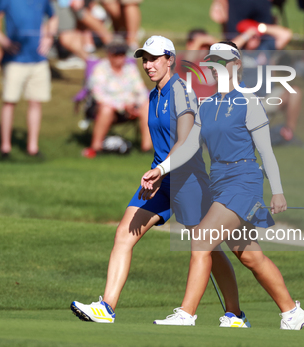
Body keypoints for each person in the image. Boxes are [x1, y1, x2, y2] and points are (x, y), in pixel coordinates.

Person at [71, 36, 251, 328]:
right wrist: (159, 172)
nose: (148, 64)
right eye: (145, 58)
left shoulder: (181, 91)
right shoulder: (154, 95)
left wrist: (162, 169)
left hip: (188, 179)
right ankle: (106, 307)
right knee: (124, 234)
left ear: (170, 59)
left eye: (155, 58)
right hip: (161, 180)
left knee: (207, 248)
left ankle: (234, 314)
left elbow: (187, 141)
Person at [141, 42, 304, 329]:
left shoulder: (249, 102)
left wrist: (278, 190)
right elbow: (187, 146)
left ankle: (186, 313)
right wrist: (160, 169)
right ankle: (292, 311)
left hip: (243, 181)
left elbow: (266, 151)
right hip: (218, 182)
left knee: (201, 239)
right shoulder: (205, 106)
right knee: (248, 254)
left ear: (236, 64)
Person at [0, 0, 58, 158]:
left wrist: (49, 37)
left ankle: (32, 148)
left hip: (38, 59)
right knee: (10, 102)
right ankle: (5, 147)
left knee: (36, 102)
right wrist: (2, 40)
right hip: (15, 59)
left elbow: (52, 17)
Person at [232, 19, 301, 144]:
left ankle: (288, 134)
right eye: (252, 37)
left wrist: (262, 28)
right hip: (245, 101)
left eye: (257, 36)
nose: (256, 38)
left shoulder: (266, 47)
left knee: (294, 92)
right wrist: (247, 34)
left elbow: (286, 35)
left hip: (268, 96)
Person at [81, 37, 152, 158]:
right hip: (107, 109)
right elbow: (98, 95)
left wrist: (134, 106)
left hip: (130, 108)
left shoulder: (130, 69)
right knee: (106, 109)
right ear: (109, 54)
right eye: (117, 54)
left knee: (148, 105)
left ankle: (147, 148)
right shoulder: (100, 69)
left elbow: (141, 91)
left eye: (122, 54)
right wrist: (123, 106)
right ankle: (96, 148)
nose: (120, 57)